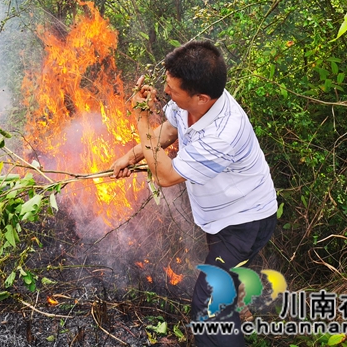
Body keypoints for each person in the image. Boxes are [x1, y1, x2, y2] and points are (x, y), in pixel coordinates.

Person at [110, 40, 278, 347]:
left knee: (209, 307)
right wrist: (133, 154)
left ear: (201, 97)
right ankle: (240, 306)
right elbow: (171, 131)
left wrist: (141, 117)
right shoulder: (194, 104)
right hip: (222, 218)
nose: (166, 93)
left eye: (172, 90)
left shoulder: (224, 132)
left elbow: (165, 174)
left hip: (244, 223)